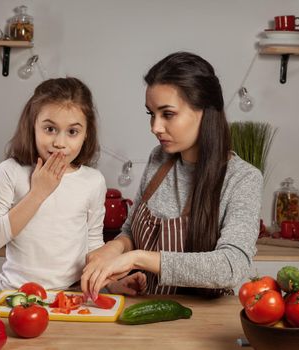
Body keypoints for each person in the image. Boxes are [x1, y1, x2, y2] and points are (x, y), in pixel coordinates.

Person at [81, 52, 263, 299]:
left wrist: (137, 258)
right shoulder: (160, 158)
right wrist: (115, 248)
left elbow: (231, 266)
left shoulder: (242, 179)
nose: (155, 127)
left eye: (167, 114)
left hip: (204, 323)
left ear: (205, 111)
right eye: (151, 114)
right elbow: (131, 231)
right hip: (146, 310)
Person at [0, 77, 108, 291]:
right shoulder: (10, 172)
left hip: (70, 296)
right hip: (17, 296)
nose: (59, 143)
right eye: (50, 129)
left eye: (72, 132)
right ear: (32, 126)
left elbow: (93, 245)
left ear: (86, 134)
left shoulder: (93, 181)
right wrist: (38, 193)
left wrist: (112, 281)